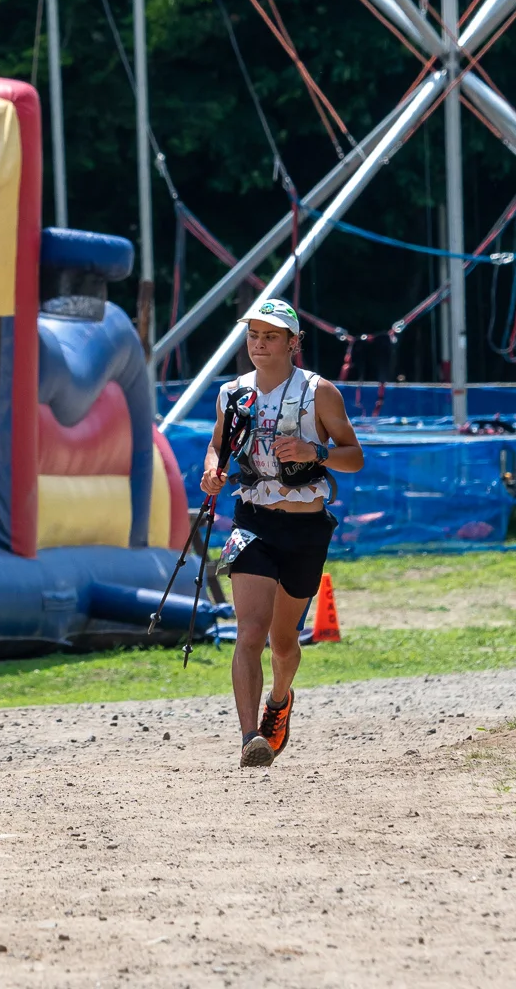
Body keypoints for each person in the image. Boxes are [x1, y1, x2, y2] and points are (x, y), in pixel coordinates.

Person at [201, 299, 364, 768]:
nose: (259, 344)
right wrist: (212, 472)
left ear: (293, 342)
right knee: (250, 631)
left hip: (306, 527)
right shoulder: (233, 393)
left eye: (270, 336)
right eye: (253, 335)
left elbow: (354, 457)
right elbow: (217, 445)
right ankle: (250, 737)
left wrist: (316, 452)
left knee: (284, 642)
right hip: (253, 521)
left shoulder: (319, 392)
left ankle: (279, 701)